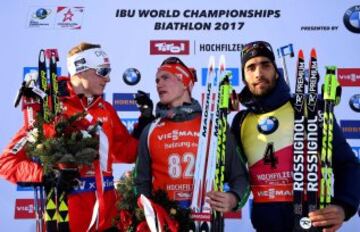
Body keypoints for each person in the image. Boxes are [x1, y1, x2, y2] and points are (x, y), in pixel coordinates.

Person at [0, 42, 153, 232]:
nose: (108, 79)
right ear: (80, 70)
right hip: (67, 221)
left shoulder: (106, 110)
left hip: (107, 222)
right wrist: (45, 175)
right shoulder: (50, 109)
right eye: (102, 71)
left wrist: (145, 123)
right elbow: (7, 163)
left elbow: (128, 152)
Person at [230, 40, 360, 232]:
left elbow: (347, 163)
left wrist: (343, 205)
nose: (258, 73)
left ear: (276, 70)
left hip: (311, 219)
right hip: (264, 223)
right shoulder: (241, 120)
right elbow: (234, 173)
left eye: (265, 65)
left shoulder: (311, 109)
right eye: (251, 67)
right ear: (243, 77)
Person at [134, 57, 249, 225]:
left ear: (185, 83)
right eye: (157, 80)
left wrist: (233, 198)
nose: (159, 84)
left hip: (206, 221)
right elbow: (141, 182)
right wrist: (146, 215)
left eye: (166, 77)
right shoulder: (150, 130)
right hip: (165, 222)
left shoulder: (214, 126)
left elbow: (240, 176)